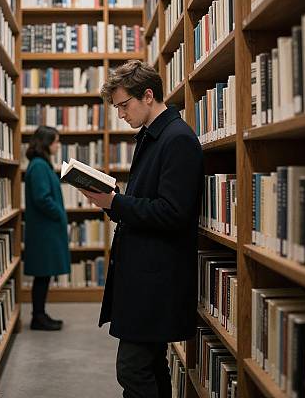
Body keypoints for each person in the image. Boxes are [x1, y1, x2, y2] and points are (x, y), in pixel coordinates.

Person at [79, 60, 204, 398]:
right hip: (144, 275)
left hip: (157, 279)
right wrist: (113, 201)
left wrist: (115, 203)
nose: (120, 114)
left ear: (148, 95)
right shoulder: (152, 137)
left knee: (132, 368)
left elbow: (173, 212)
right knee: (151, 366)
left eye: (124, 105)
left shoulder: (178, 140)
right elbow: (148, 203)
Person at [24, 126, 70, 331]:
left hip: (45, 229)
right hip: (44, 231)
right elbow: (42, 198)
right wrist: (59, 214)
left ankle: (40, 314)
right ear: (46, 143)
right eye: (55, 141)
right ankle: (38, 317)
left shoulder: (40, 164)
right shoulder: (39, 166)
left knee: (44, 275)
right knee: (42, 275)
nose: (58, 145)